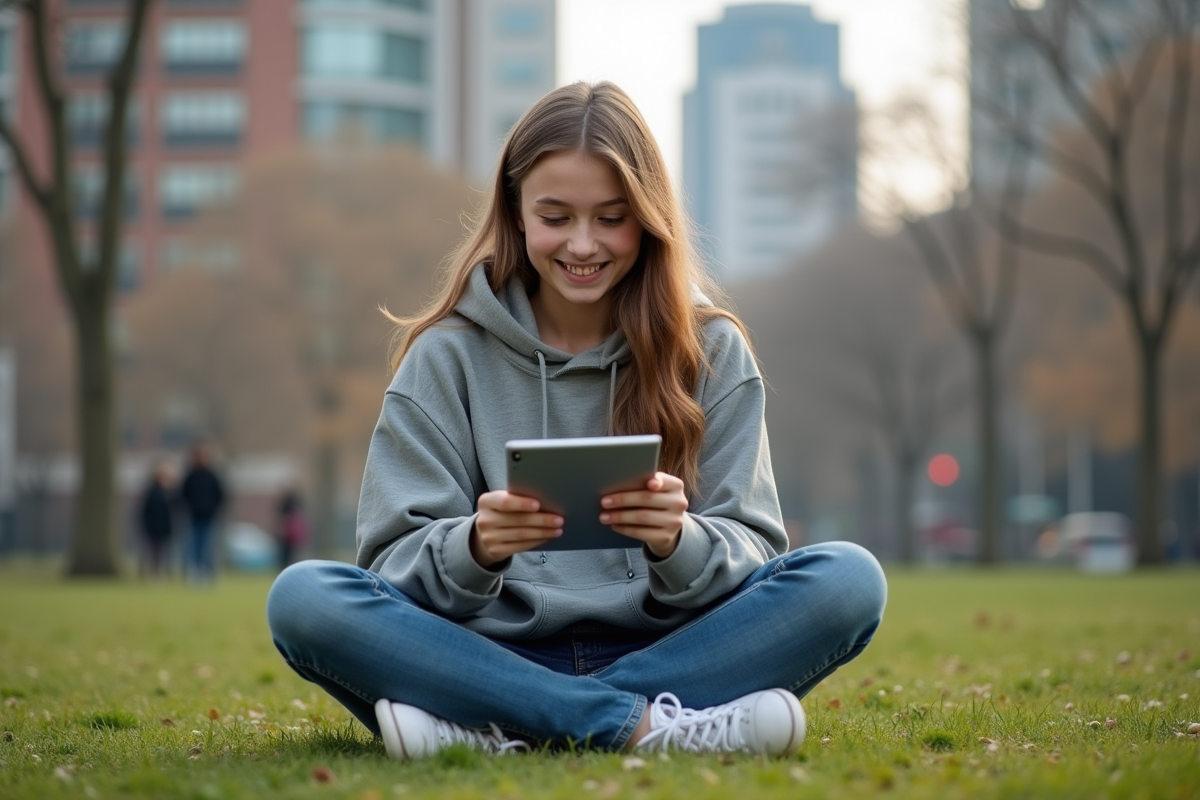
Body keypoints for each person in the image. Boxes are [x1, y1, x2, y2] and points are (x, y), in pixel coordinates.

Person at [267, 81, 886, 759]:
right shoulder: (445, 356)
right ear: (516, 212)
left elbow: (756, 551)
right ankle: (650, 728)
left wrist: (678, 540)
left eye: (611, 217)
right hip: (487, 645)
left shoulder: (711, 349)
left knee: (849, 580)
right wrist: (475, 546)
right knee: (303, 599)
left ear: (648, 218)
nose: (583, 245)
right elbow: (389, 562)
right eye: (556, 217)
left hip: (670, 645)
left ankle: (490, 727)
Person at [179, 441, 225, 584]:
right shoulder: (191, 476)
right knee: (194, 546)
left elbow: (220, 495)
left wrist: (213, 509)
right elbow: (183, 495)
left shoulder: (212, 476)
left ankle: (209, 574)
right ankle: (195, 572)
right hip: (194, 517)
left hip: (209, 517)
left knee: (209, 546)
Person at [137, 460, 175, 579]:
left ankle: (162, 573)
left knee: (164, 552)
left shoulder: (171, 492)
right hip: (153, 526)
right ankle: (151, 573)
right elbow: (145, 510)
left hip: (166, 527)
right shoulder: (152, 491)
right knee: (152, 551)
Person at [276, 489, 307, 570]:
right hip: (290, 534)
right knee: (288, 553)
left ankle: (285, 567)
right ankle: (287, 567)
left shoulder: (287, 505)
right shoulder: (294, 504)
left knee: (286, 553)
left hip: (288, 534)